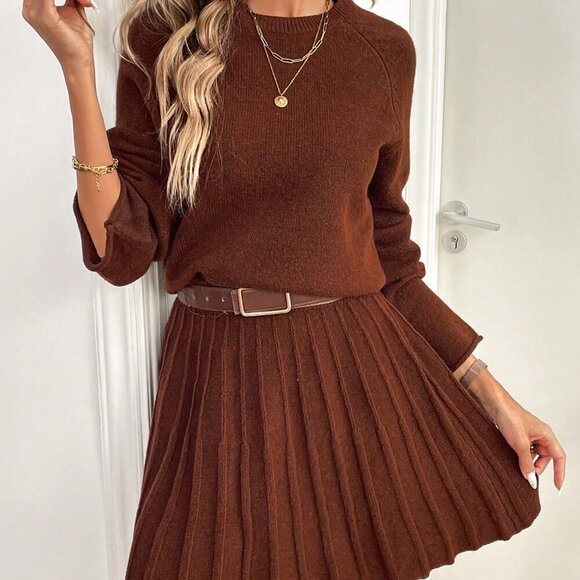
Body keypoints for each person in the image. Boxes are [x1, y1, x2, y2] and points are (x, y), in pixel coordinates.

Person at [24, 0, 566, 578]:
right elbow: (122, 250)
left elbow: (391, 256)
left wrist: (490, 392)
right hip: (216, 371)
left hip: (351, 367)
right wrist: (76, 68)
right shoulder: (165, 35)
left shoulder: (384, 51)